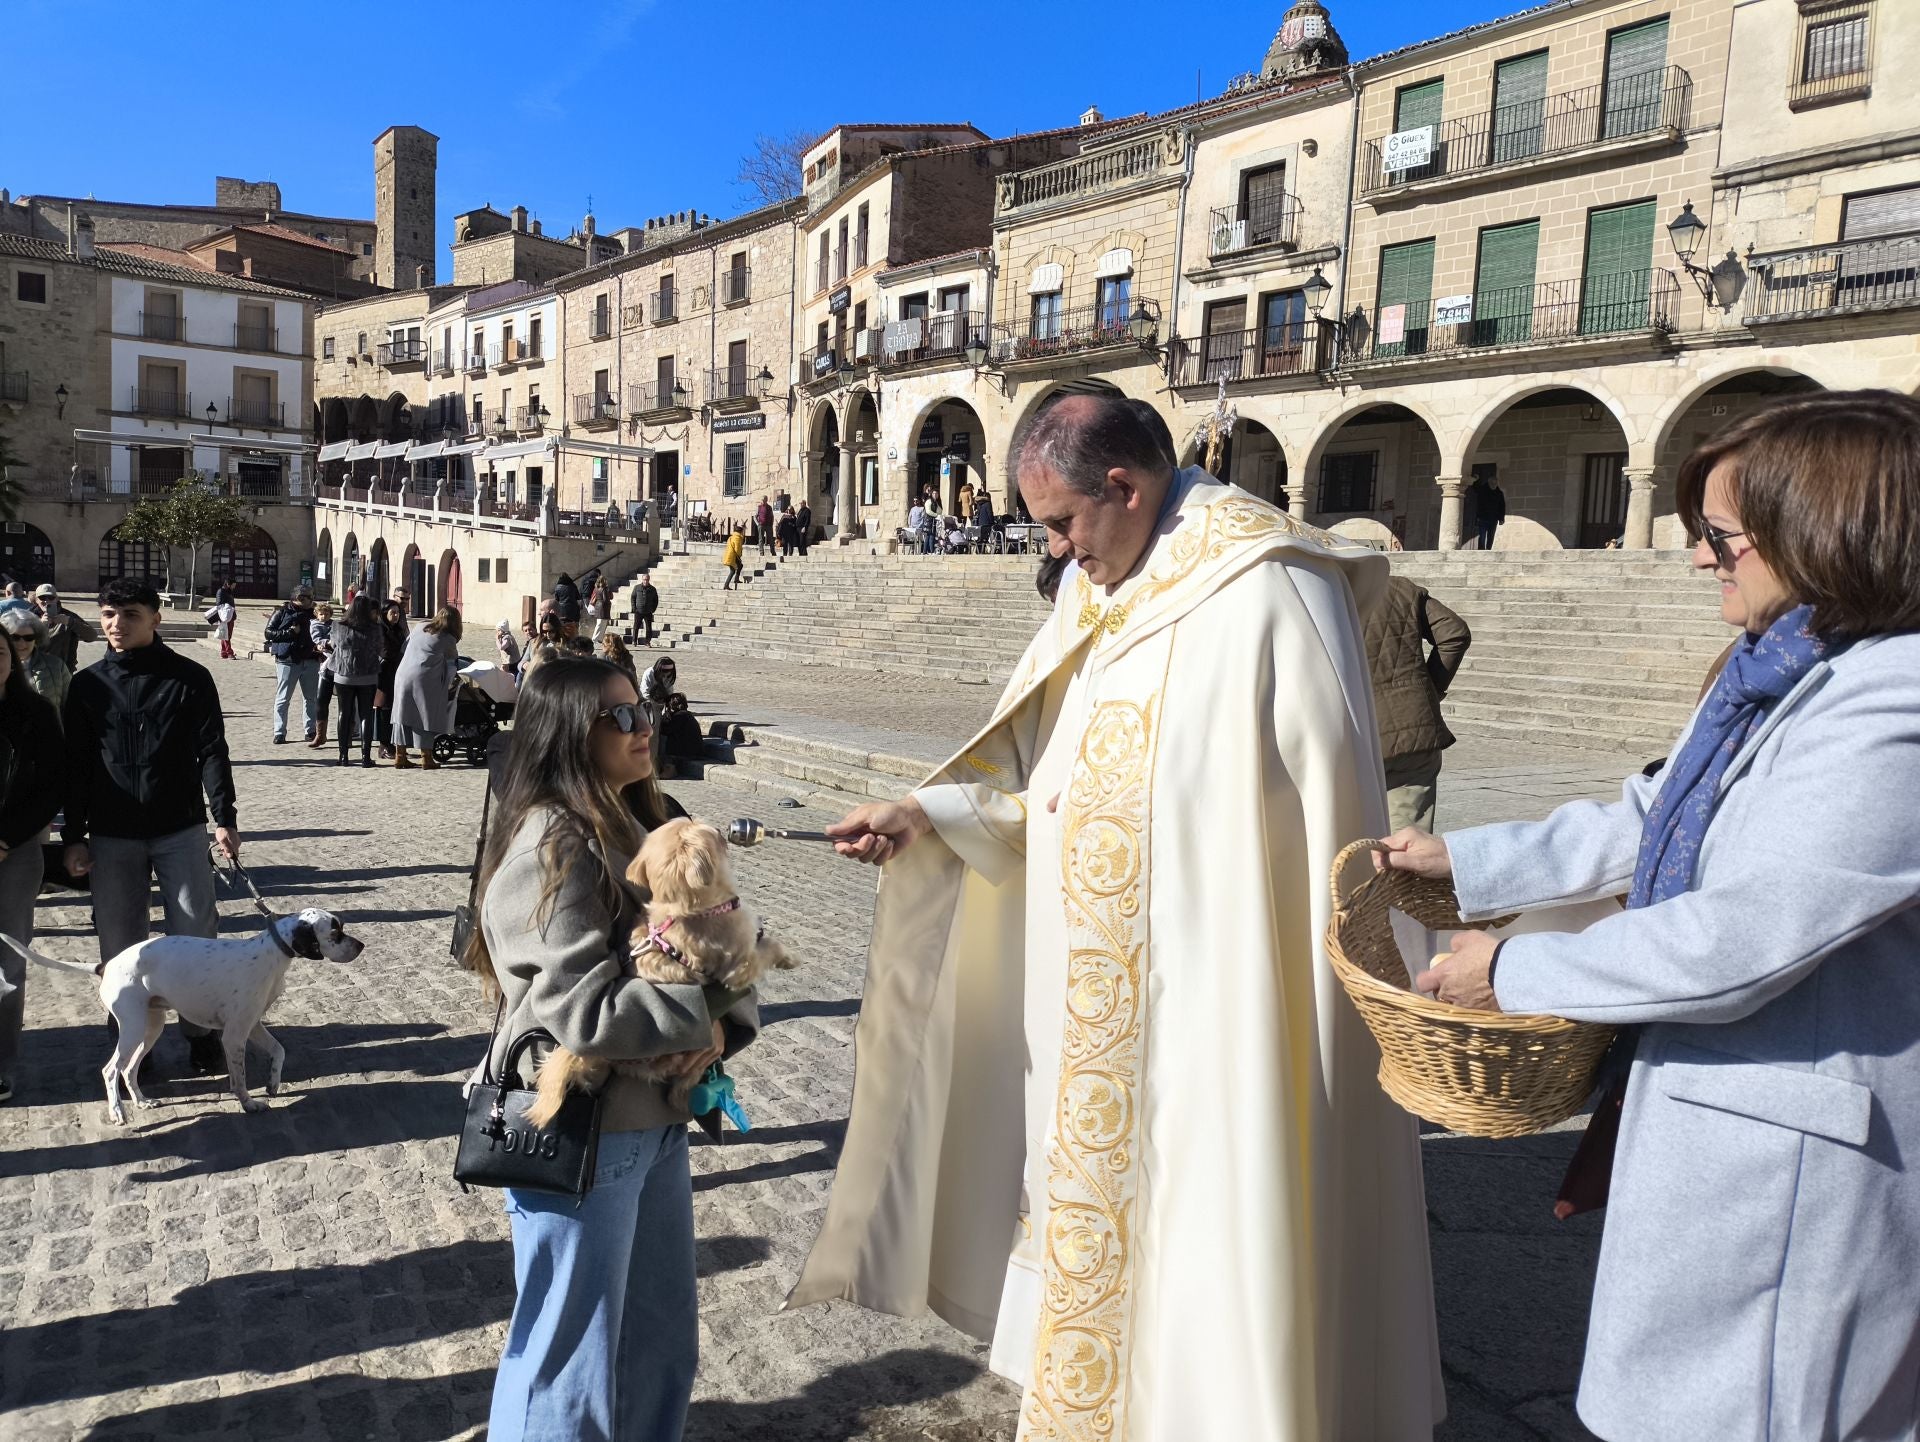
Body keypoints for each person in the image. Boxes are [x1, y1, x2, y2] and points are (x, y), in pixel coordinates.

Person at [798, 394, 1443, 1438]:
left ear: (1126, 488)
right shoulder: (1096, 591)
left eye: (1060, 525)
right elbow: (1053, 793)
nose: (1053, 553)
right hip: (1096, 1022)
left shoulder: (1271, 590)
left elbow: (1321, 831)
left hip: (1221, 1012)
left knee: (1223, 1248)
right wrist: (930, 810)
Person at [1388, 390, 1920, 1442]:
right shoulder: (1783, 667)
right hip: (1722, 1126)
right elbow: (1659, 810)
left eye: (1720, 534)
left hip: (1793, 1170)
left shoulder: (1893, 699)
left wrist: (1513, 974)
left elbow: (1742, 935)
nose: (1699, 558)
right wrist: (1473, 858)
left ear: (1823, 529)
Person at [471, 656, 758, 1441]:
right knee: (568, 1361)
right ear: (568, 733)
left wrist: (731, 1018)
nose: (644, 727)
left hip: (651, 1125)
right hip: (580, 1131)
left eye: (645, 711)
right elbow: (578, 1007)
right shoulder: (550, 846)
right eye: (621, 717)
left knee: (656, 1343)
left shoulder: (646, 818)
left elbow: (713, 934)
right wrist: (705, 1017)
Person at [63, 578, 240, 1076]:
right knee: (119, 942)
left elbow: (212, 751)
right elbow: (75, 765)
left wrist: (223, 818)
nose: (116, 625)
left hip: (178, 827)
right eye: (108, 615)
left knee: (195, 934)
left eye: (130, 614)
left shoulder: (189, 678)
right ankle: (132, 1040)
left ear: (155, 619)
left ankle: (201, 1034)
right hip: (112, 832)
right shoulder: (87, 686)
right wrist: (73, 834)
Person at [0, 628, 65, 1104]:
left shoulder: (35, 713)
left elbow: (50, 787)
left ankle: (3, 1062)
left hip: (15, 851)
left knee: (8, 959)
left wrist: (6, 839)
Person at [1364, 575, 1471, 832]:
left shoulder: (1316, 592)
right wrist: (1430, 690)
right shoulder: (1398, 588)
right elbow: (1454, 633)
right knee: (1407, 844)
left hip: (1348, 734)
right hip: (1412, 729)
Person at [392, 606, 461, 769]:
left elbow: (404, 648)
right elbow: (452, 663)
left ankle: (400, 756)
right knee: (426, 716)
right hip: (424, 678)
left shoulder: (420, 626)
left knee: (401, 714)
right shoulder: (448, 638)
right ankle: (426, 758)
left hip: (403, 674)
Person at [328, 595, 384, 768]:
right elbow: (380, 648)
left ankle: (343, 755)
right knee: (366, 714)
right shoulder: (375, 628)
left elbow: (333, 645)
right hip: (367, 675)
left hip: (344, 674)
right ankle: (365, 757)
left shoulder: (338, 626)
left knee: (344, 713)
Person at [263, 586, 322, 744]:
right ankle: (279, 732)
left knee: (310, 698)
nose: (313, 600)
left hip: (310, 659)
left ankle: (310, 731)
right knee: (283, 698)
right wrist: (289, 633)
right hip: (287, 660)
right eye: (310, 597)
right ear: (300, 598)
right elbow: (268, 632)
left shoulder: (315, 613)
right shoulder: (282, 612)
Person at [2, 609, 72, 714]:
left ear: (37, 638)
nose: (21, 643)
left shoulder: (56, 665)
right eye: (15, 637)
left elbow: (71, 704)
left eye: (28, 638)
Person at [373, 599, 408, 761]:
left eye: (398, 613)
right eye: (392, 612)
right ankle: (384, 745)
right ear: (384, 613)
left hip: (398, 673)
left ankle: (394, 743)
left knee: (395, 710)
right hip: (384, 674)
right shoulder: (380, 629)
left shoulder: (398, 630)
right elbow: (385, 652)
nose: (395, 616)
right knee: (384, 710)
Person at [33, 585, 96, 671]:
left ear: (57, 599)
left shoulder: (68, 616)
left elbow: (92, 636)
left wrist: (70, 622)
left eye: (51, 598)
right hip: (34, 668)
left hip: (62, 671)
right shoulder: (28, 616)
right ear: (36, 600)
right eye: (42, 597)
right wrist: (40, 626)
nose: (46, 601)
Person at [307, 602, 336, 750]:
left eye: (326, 614)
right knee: (321, 700)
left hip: (337, 662)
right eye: (321, 614)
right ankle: (320, 735)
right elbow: (317, 640)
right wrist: (326, 643)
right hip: (325, 663)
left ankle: (348, 734)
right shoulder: (315, 625)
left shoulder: (335, 625)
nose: (323, 616)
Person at [1467, 469, 1505, 550]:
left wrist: (1501, 518)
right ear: (1489, 482)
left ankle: (1488, 550)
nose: (1494, 484)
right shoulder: (1483, 490)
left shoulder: (1499, 493)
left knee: (1491, 536)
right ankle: (1481, 551)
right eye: (1492, 482)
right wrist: (1476, 480)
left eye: (1495, 482)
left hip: (1493, 518)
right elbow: (1476, 488)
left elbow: (1502, 506)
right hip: (1483, 518)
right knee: (1482, 536)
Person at [632, 572, 659, 646]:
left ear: (649, 580)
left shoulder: (652, 589)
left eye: (647, 580)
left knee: (648, 628)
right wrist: (634, 608)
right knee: (636, 627)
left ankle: (647, 642)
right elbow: (633, 597)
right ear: (642, 579)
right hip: (639, 610)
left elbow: (656, 600)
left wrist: (653, 609)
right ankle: (634, 641)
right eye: (644, 579)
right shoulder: (637, 587)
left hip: (648, 611)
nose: (645, 581)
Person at [551, 573, 582, 639]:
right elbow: (578, 597)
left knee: (563, 623)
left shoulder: (558, 587)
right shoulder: (573, 585)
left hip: (562, 608)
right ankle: (575, 637)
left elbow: (556, 599)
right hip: (573, 607)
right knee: (574, 623)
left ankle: (563, 637)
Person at [970, 487, 997, 553]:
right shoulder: (988, 504)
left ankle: (980, 550)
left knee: (982, 538)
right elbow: (989, 513)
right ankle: (982, 550)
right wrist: (992, 522)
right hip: (987, 523)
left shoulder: (980, 504)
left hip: (980, 523)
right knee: (986, 537)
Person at [588, 576, 612, 644]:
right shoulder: (604, 589)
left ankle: (599, 639)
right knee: (601, 624)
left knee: (600, 623)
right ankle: (595, 638)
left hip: (598, 606)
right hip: (604, 607)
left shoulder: (596, 588)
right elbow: (606, 599)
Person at [722, 526, 744, 590]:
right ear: (740, 532)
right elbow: (737, 549)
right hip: (733, 555)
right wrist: (739, 555)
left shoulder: (732, 537)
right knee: (732, 571)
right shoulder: (737, 538)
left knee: (740, 565)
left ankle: (736, 579)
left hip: (730, 555)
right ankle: (726, 585)